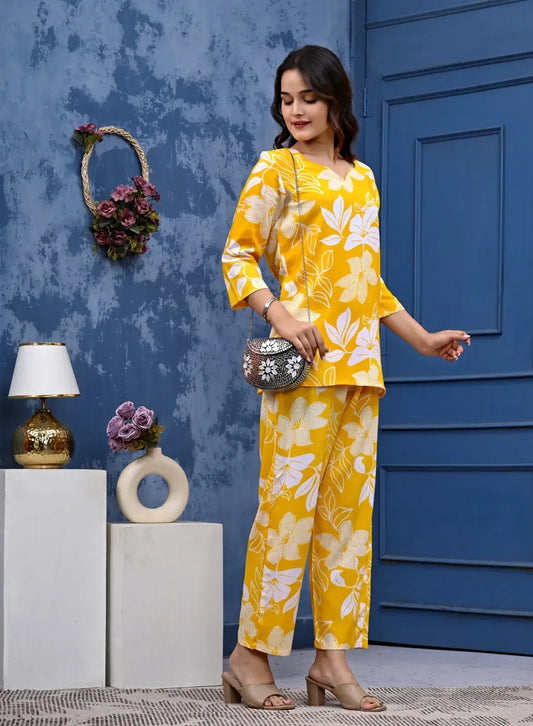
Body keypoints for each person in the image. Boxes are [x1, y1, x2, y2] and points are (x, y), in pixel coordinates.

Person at [221, 45, 470, 712]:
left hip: (361, 371)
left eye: (308, 97)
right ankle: (249, 657)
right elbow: (237, 256)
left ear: (335, 100)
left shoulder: (362, 180)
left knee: (346, 521)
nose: (296, 110)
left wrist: (421, 338)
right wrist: (279, 314)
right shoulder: (276, 169)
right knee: (285, 514)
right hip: (302, 372)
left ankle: (330, 661)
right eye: (286, 99)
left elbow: (368, 282)